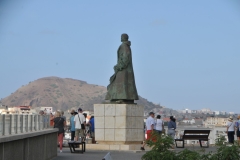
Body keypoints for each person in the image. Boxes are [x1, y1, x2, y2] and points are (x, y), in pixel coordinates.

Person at [105, 33, 139, 103]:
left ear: (124, 38)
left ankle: (121, 97)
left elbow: (125, 57)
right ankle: (123, 97)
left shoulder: (124, 46)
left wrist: (120, 66)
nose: (121, 38)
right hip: (124, 68)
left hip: (123, 68)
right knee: (122, 82)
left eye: (122, 37)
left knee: (118, 82)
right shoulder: (126, 46)